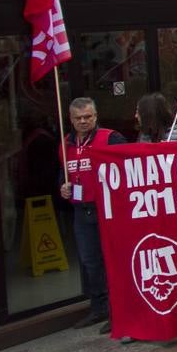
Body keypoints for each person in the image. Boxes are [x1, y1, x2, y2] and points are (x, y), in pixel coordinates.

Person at [59, 97, 125, 332]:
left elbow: (127, 169)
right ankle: (99, 308)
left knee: (112, 260)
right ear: (71, 120)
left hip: (106, 209)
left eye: (88, 117)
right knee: (89, 262)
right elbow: (63, 174)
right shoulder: (66, 143)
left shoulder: (110, 138)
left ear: (96, 116)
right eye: (79, 118)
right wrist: (63, 187)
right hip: (80, 209)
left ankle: (118, 311)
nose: (84, 121)